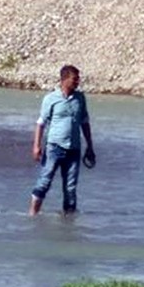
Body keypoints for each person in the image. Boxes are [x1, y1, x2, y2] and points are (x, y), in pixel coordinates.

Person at [28, 65, 95, 216]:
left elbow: (85, 122)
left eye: (78, 79)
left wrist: (90, 146)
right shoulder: (51, 99)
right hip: (54, 147)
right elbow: (41, 123)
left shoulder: (80, 98)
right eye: (74, 79)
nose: (78, 82)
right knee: (45, 181)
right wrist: (36, 146)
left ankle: (69, 221)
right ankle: (32, 214)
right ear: (64, 79)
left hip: (74, 149)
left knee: (70, 187)